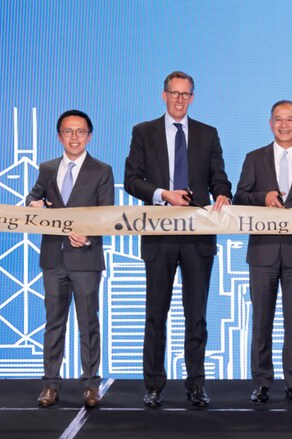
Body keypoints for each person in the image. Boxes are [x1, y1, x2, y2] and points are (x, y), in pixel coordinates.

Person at [124, 71, 232, 408]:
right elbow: (131, 179)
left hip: (198, 236)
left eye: (185, 94)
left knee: (196, 315)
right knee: (156, 313)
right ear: (164, 95)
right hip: (159, 235)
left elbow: (219, 177)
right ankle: (154, 386)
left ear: (192, 98)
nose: (180, 100)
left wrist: (224, 194)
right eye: (174, 93)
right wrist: (162, 194)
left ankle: (196, 385)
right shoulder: (143, 132)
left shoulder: (208, 133)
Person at [234, 100, 292, 404]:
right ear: (270, 123)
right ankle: (261, 382)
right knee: (261, 321)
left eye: (290, 119)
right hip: (262, 251)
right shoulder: (254, 158)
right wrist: (263, 197)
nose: (284, 125)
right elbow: (239, 196)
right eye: (278, 119)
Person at [26, 109, 115, 408]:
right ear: (59, 136)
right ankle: (50, 385)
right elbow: (32, 198)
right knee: (54, 324)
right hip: (53, 258)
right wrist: (33, 204)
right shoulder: (47, 168)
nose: (74, 137)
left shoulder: (102, 170)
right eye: (68, 131)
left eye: (80, 132)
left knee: (89, 324)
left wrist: (88, 236)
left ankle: (90, 385)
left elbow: (107, 214)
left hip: (86, 258)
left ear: (89, 136)